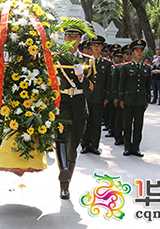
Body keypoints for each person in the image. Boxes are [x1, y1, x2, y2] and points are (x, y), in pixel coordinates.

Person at [56, 27, 93, 199]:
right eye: (68, 36)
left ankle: (67, 179)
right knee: (61, 139)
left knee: (73, 147)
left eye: (75, 36)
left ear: (80, 39)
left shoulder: (88, 60)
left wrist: (81, 78)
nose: (71, 39)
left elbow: (92, 88)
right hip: (62, 104)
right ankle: (64, 178)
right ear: (64, 38)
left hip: (78, 105)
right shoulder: (56, 58)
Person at [119, 39, 151, 157]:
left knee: (138, 125)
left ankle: (136, 147)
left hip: (140, 101)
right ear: (132, 53)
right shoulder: (126, 67)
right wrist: (121, 98)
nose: (139, 53)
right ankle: (127, 147)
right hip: (128, 99)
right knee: (127, 124)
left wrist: (147, 100)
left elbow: (148, 85)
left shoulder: (147, 68)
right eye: (137, 51)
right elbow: (122, 84)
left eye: (141, 51)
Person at [81, 36, 111, 155]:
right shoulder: (85, 61)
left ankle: (94, 145)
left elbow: (108, 81)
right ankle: (85, 144)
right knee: (85, 121)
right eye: (94, 45)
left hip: (99, 97)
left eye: (99, 45)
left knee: (96, 122)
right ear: (91, 47)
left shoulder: (107, 63)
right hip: (87, 96)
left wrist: (107, 97)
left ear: (102, 47)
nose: (96, 47)